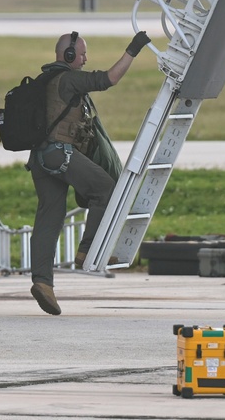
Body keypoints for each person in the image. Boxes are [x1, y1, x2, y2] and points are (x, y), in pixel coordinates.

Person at [29, 30, 151, 316]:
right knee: (106, 191)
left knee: (49, 218)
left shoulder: (44, 80)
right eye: (82, 54)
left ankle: (42, 283)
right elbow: (108, 79)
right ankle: (87, 252)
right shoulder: (68, 78)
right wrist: (132, 50)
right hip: (60, 154)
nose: (85, 60)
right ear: (68, 56)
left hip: (40, 159)